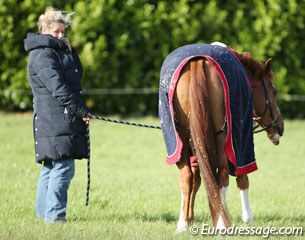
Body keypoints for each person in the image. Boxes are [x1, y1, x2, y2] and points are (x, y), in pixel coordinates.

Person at [24, 6, 90, 223]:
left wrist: (71, 53)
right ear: (44, 30)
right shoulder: (42, 55)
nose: (61, 36)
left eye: (63, 32)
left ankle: (44, 215)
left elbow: (76, 75)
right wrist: (80, 110)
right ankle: (55, 218)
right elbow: (59, 88)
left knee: (51, 166)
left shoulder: (55, 51)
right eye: (56, 33)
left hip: (57, 118)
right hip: (54, 119)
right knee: (63, 168)